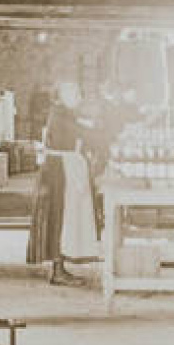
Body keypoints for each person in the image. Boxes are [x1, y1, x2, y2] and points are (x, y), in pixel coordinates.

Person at [27, 80, 99, 287]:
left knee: (64, 219)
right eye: (74, 93)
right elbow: (79, 132)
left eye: (78, 93)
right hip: (58, 172)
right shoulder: (59, 114)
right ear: (62, 95)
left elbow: (79, 130)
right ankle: (58, 272)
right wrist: (104, 135)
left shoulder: (64, 112)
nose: (79, 98)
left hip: (62, 168)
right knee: (59, 219)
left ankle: (60, 267)